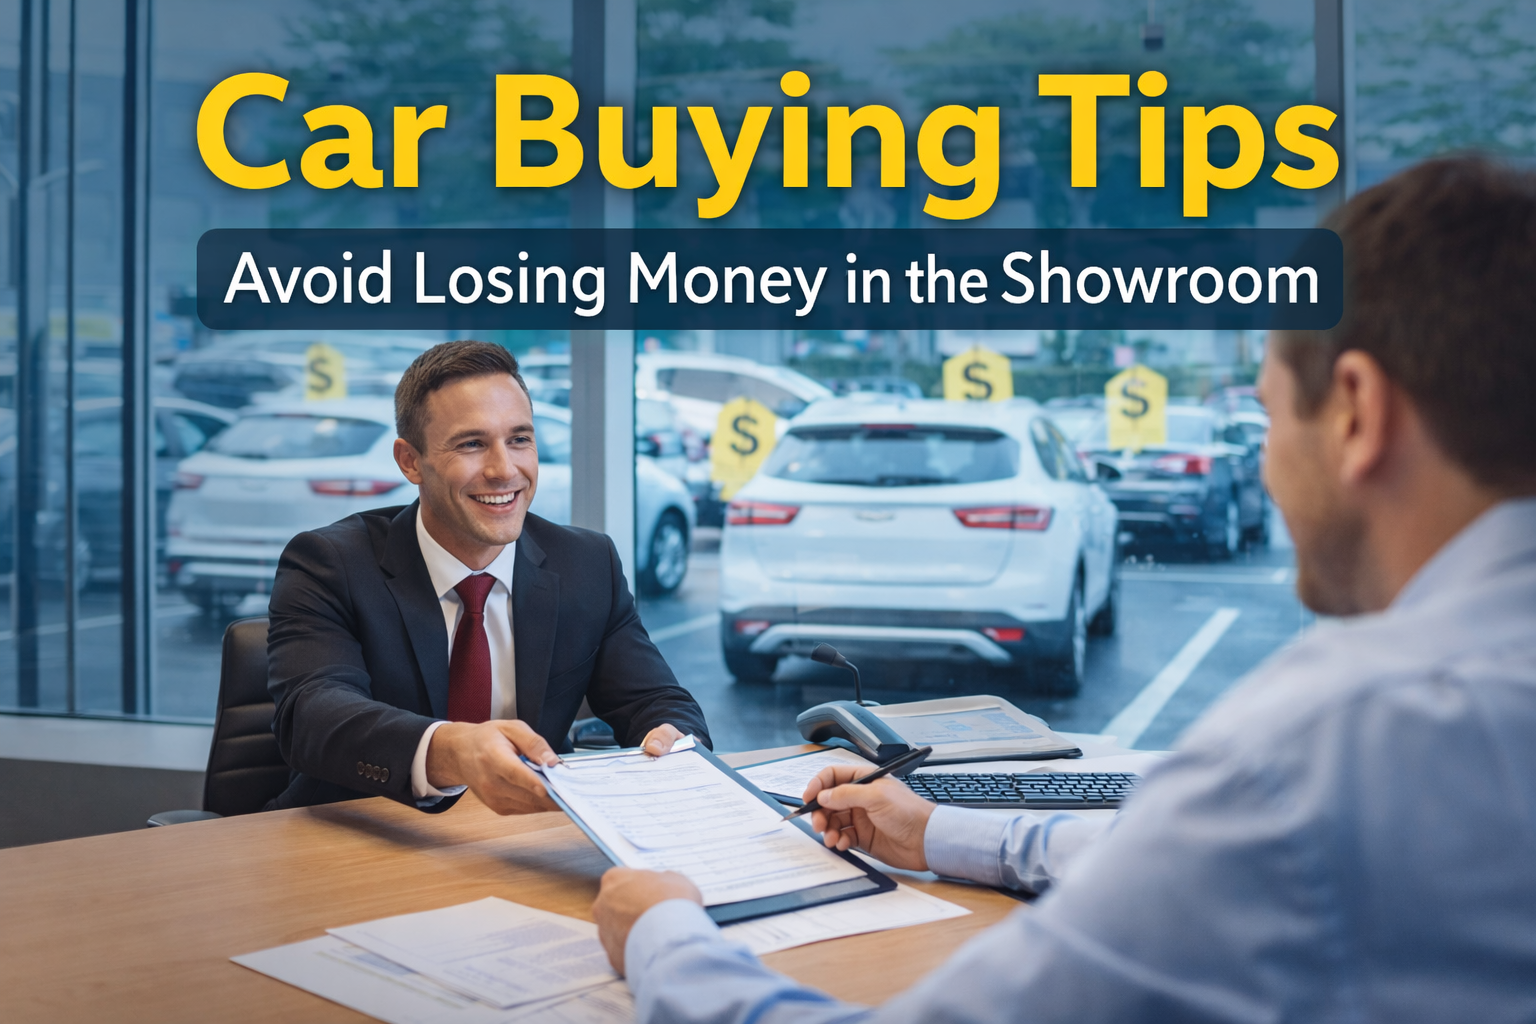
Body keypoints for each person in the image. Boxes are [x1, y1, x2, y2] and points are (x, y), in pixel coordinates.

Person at [591, 156, 1536, 1021]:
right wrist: (941, 833)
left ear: (1359, 414)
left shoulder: (1344, 740)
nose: (1274, 470)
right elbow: (1203, 861)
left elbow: (1250, 836)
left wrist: (666, 939)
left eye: (1273, 415)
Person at [265, 341, 709, 814]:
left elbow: (656, 700)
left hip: (520, 843)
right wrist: (453, 751)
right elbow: (311, 715)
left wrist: (674, 741)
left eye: (519, 439)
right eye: (472, 444)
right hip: (358, 840)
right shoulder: (330, 563)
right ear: (410, 461)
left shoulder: (585, 563)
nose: (504, 470)